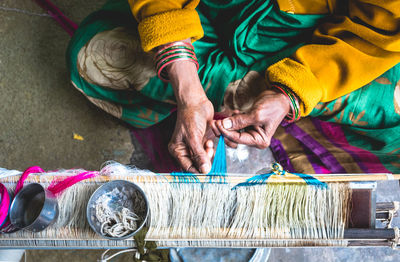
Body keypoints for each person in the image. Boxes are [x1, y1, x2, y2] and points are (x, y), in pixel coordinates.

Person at [67, 0, 400, 174]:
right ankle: (208, 98)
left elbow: (376, 33)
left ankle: (246, 99)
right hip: (205, 11)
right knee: (96, 56)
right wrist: (187, 89)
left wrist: (291, 92)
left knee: (392, 108)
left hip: (326, 41)